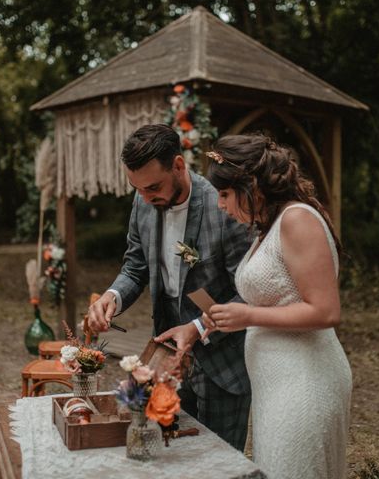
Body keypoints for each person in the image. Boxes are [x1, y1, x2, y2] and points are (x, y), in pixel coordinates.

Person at [87, 124, 253, 451]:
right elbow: (135, 265)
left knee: (221, 463)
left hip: (221, 361)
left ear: (178, 166)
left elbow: (247, 293)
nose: (146, 198)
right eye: (138, 189)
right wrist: (113, 296)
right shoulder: (143, 201)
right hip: (165, 360)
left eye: (153, 187)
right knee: (173, 455)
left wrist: (197, 326)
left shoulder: (224, 207)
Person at [203, 134, 352, 478]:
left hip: (305, 383)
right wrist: (226, 316)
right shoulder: (267, 228)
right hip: (277, 386)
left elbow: (326, 311)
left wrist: (248, 316)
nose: (220, 206)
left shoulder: (297, 220)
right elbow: (277, 297)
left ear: (251, 184)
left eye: (224, 194)